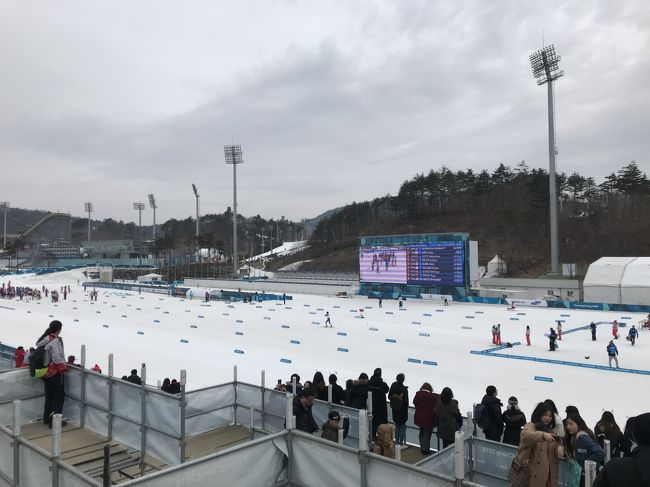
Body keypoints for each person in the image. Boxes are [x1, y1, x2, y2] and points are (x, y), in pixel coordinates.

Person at [515, 402, 565, 487]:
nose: (547, 418)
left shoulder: (553, 430)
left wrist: (560, 447)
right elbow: (525, 435)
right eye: (545, 415)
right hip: (530, 475)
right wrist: (542, 435)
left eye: (550, 416)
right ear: (539, 414)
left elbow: (559, 442)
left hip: (549, 477)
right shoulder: (531, 426)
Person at [594, 412, 650, 487]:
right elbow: (624, 446)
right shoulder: (616, 430)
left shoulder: (614, 467)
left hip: (602, 460)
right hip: (614, 455)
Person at [36, 320, 68, 428]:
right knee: (58, 396)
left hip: (45, 373)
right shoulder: (55, 341)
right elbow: (57, 357)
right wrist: (64, 367)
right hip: (54, 373)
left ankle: (47, 418)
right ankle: (54, 422)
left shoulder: (45, 338)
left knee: (49, 395)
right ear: (59, 329)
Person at [564, 413, 605, 485]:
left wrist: (587, 466)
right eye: (567, 425)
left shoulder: (583, 438)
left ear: (578, 424)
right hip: (581, 476)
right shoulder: (574, 438)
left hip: (589, 478)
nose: (568, 427)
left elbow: (600, 452)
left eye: (571, 424)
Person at [413, 382, 439, 454]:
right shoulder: (432, 397)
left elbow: (414, 402)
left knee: (421, 433)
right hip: (429, 419)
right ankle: (425, 450)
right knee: (427, 435)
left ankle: (422, 447)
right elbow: (438, 398)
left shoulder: (418, 395)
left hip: (419, 418)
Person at [368, 368, 389, 438]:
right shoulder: (383, 384)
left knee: (372, 425)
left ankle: (373, 439)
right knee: (382, 427)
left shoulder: (369, 383)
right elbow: (387, 389)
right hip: (381, 409)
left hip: (372, 407)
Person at [388, 373, 409, 445]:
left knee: (397, 426)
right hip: (402, 412)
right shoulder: (404, 389)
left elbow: (389, 396)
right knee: (402, 426)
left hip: (395, 410)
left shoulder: (393, 386)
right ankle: (400, 443)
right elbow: (406, 402)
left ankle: (397, 442)